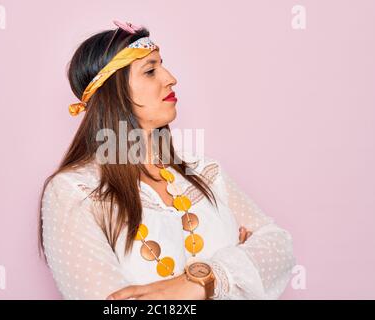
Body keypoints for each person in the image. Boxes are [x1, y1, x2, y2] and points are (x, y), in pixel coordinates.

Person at [38, 21, 296, 300]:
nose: (170, 78)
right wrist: (241, 263)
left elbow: (279, 245)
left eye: (162, 65)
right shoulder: (75, 193)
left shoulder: (205, 172)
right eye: (150, 71)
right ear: (113, 92)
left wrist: (201, 283)